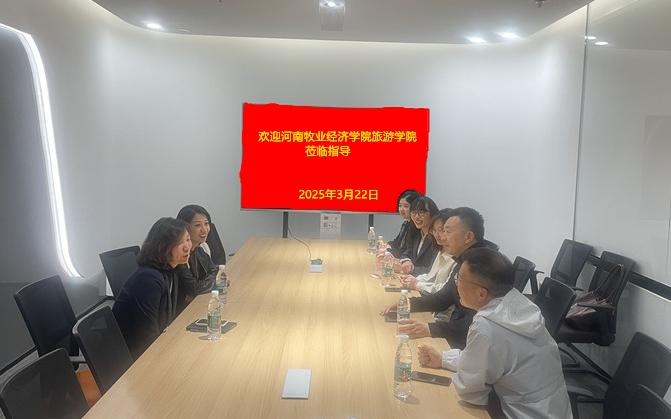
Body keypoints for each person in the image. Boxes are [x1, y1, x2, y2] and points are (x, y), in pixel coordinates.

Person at [417, 248, 572, 419]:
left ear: (481, 293)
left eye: (459, 278)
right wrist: (444, 359)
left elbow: (470, 390)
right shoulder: (518, 303)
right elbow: (484, 361)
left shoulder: (487, 325)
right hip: (556, 410)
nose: (456, 284)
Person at [382, 207, 496, 350]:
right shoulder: (465, 260)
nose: (443, 237)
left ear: (468, 237)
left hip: (468, 345)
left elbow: (472, 323)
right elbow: (443, 298)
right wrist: (406, 304)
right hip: (458, 334)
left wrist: (429, 328)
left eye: (447, 232)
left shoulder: (480, 267)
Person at [113, 217, 191, 359]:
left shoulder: (170, 271)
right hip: (134, 358)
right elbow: (147, 336)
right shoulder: (148, 279)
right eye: (179, 243)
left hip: (153, 348)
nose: (187, 247)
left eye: (187, 239)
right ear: (163, 247)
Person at [399, 208, 455, 294]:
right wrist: (413, 279)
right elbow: (431, 276)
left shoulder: (458, 256)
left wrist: (417, 284)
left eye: (441, 230)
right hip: (429, 294)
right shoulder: (442, 248)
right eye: (434, 230)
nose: (437, 235)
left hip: (439, 300)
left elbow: (445, 291)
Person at [175, 205, 219, 313]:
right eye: (198, 225)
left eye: (206, 224)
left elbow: (215, 271)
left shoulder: (200, 248)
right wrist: (215, 283)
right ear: (185, 227)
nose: (204, 230)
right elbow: (193, 288)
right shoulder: (179, 254)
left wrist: (200, 287)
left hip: (196, 303)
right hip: (181, 311)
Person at [397, 195, 440, 275]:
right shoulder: (415, 232)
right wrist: (406, 261)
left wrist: (411, 270)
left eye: (421, 213)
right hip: (411, 278)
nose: (416, 217)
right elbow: (407, 252)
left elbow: (433, 270)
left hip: (424, 281)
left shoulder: (438, 237)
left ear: (432, 214)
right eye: (413, 212)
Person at [387, 189, 420, 258]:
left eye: (406, 206)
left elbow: (406, 252)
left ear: (414, 207)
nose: (401, 209)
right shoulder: (406, 223)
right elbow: (396, 242)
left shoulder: (416, 227)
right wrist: (387, 246)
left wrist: (388, 251)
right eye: (400, 206)